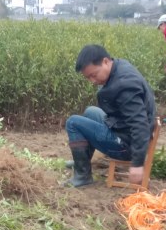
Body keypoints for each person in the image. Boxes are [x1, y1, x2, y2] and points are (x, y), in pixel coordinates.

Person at [65, 44, 156, 187]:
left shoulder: (125, 86)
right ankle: (81, 162)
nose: (92, 81)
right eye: (88, 78)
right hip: (122, 129)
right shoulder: (119, 66)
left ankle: (83, 176)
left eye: (94, 75)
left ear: (106, 61)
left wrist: (137, 164)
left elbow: (140, 124)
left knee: (73, 123)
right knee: (90, 111)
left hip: (126, 146)